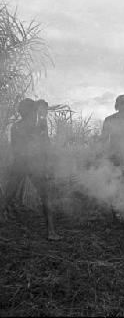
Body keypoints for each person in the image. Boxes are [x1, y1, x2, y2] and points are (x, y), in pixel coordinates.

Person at [3, 98, 61, 240]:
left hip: (29, 164)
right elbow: (18, 148)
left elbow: (45, 145)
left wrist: (46, 163)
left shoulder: (34, 125)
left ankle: (51, 232)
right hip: (26, 164)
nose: (34, 113)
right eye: (31, 110)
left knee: (43, 196)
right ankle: (51, 232)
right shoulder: (23, 127)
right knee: (8, 197)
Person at [101, 94, 124, 168]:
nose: (123, 107)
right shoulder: (109, 120)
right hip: (115, 155)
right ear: (117, 105)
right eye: (121, 104)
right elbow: (104, 138)